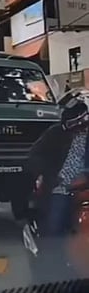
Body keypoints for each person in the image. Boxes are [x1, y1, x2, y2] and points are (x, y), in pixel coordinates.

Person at [24, 88, 89, 282]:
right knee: (55, 227)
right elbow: (34, 156)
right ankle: (50, 273)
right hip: (63, 188)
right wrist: (52, 176)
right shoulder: (55, 134)